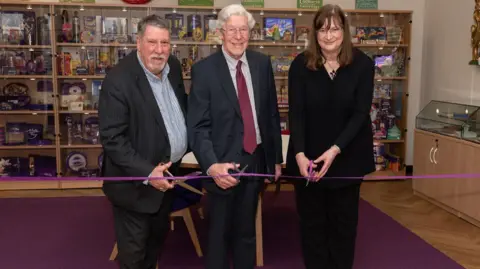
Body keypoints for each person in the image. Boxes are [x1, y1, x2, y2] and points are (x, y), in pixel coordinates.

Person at [186, 4, 283, 269]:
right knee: (218, 237)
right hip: (220, 167)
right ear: (221, 33)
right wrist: (211, 165)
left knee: (247, 235)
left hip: (255, 161)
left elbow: (271, 114)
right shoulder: (204, 71)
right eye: (233, 30)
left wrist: (275, 159)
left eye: (244, 30)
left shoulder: (262, 64)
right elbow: (197, 127)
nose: (239, 36)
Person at [285, 4, 376, 269]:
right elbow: (296, 113)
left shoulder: (363, 65)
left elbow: (360, 114)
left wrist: (335, 149)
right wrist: (300, 154)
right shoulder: (300, 65)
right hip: (309, 161)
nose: (328, 35)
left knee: (343, 228)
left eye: (334, 29)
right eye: (322, 29)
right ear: (314, 33)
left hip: (347, 158)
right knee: (312, 227)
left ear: (345, 31)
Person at [98, 14, 188, 269]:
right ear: (138, 43)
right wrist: (149, 172)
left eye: (165, 43)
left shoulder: (174, 67)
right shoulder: (118, 80)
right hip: (135, 188)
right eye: (152, 42)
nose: (159, 51)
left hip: (167, 179)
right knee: (134, 257)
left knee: (154, 248)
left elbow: (178, 112)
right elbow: (113, 139)